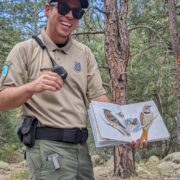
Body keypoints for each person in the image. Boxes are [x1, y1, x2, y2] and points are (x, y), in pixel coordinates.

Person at [0, 0, 146, 179]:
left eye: (77, 12)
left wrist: (129, 131)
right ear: (47, 9)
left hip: (81, 151)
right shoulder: (24, 50)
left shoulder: (84, 53)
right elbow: (2, 100)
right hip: (47, 149)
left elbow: (98, 97)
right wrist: (33, 86)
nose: (70, 15)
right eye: (63, 8)